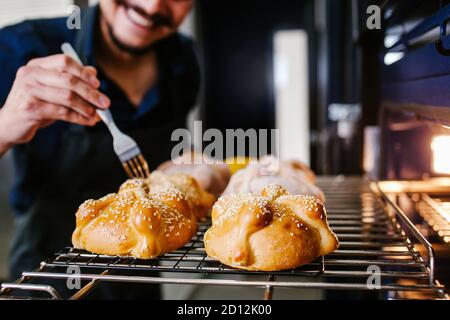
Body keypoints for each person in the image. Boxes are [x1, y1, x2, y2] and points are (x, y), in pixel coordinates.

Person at [0, 0, 199, 299]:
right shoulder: (21, 46)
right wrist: (5, 125)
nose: (154, 4)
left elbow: (166, 163)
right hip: (47, 279)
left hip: (141, 275)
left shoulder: (183, 59)